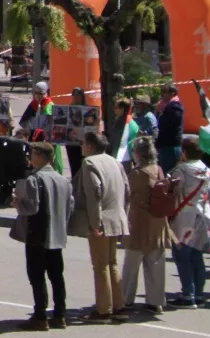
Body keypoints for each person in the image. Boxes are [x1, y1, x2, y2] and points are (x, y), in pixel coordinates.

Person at [12, 140, 73, 331]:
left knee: (37, 276)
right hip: (57, 234)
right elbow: (70, 206)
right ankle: (60, 315)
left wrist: (17, 203)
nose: (30, 157)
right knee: (57, 276)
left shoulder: (35, 179)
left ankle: (40, 316)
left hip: (38, 234)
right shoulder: (63, 180)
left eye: (32, 154)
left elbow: (32, 207)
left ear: (40, 156)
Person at [70, 131, 127, 320]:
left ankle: (104, 309)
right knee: (112, 263)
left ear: (90, 146)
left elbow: (93, 194)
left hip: (101, 219)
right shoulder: (115, 162)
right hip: (116, 216)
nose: (81, 147)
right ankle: (118, 304)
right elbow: (126, 189)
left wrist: (95, 223)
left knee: (100, 265)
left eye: (83, 143)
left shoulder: (89, 163)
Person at [120, 136, 169, 316]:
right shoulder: (158, 169)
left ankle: (125, 299)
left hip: (139, 222)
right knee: (155, 263)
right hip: (157, 222)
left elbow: (127, 194)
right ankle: (155, 301)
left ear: (138, 154)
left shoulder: (137, 174)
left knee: (131, 264)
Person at [168, 137, 210, 307]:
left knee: (182, 255)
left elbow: (173, 191)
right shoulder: (208, 171)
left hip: (184, 218)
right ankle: (199, 294)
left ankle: (188, 294)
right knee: (197, 255)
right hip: (203, 216)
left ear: (185, 152)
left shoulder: (181, 170)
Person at [155, 85, 184, 173]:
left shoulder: (175, 106)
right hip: (164, 145)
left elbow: (172, 124)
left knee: (170, 172)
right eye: (162, 92)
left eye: (165, 92)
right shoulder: (165, 106)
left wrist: (161, 113)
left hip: (170, 145)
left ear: (172, 93)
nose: (162, 95)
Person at [62, 89, 86, 175]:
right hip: (71, 144)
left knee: (83, 167)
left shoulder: (87, 109)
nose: (76, 97)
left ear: (82, 96)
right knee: (73, 167)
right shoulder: (69, 109)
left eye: (78, 95)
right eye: (74, 95)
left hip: (83, 144)